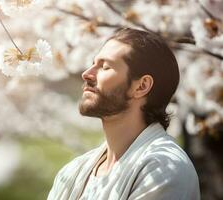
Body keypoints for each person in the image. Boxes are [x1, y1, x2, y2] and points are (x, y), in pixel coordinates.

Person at [47, 28, 200, 200]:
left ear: (141, 86)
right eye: (93, 64)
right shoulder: (72, 172)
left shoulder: (164, 167)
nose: (87, 74)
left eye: (105, 67)